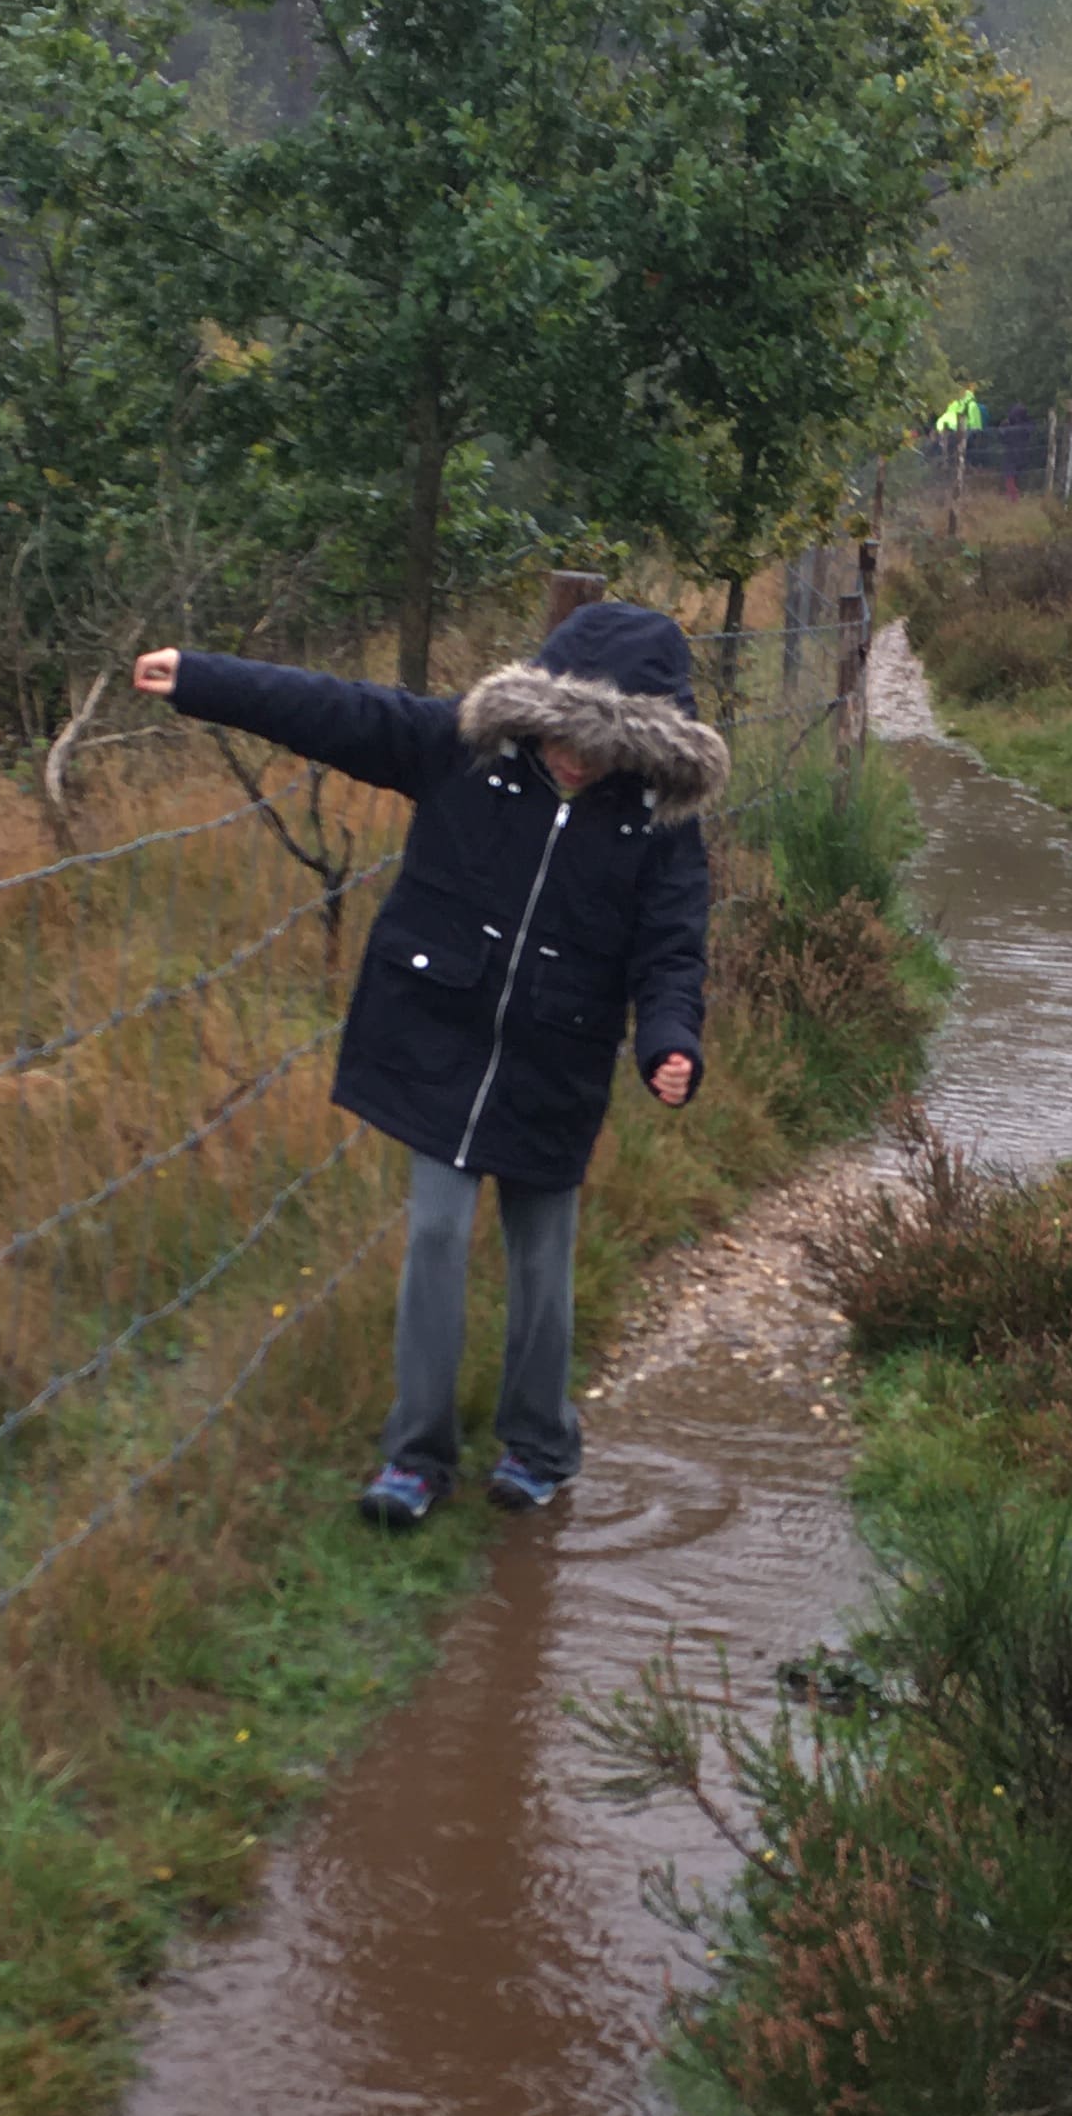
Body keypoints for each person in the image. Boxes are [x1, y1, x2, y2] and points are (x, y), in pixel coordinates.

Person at [132, 600, 723, 1525]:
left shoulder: (656, 825)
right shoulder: (463, 750)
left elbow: (672, 947)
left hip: (557, 1063)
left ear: (645, 750)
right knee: (438, 1236)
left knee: (541, 1262)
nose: (576, 761)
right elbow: (337, 710)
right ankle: (416, 1460)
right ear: (536, 713)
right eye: (562, 736)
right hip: (439, 1038)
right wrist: (204, 679)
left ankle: (537, 1446)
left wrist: (669, 1041)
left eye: (601, 748)